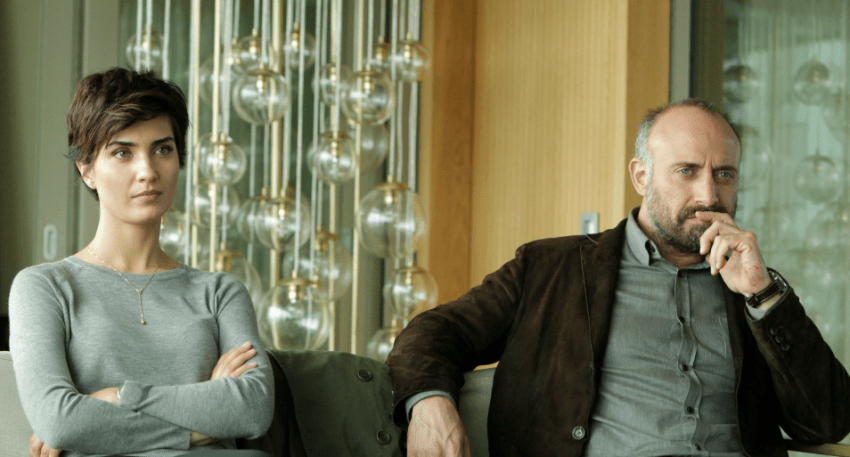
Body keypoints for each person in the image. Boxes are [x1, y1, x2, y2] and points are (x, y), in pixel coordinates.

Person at [387, 99, 850, 456]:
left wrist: (763, 294)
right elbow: (433, 333)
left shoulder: (752, 289)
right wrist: (430, 405)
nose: (708, 194)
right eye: (686, 171)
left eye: (724, 174)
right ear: (641, 176)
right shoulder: (550, 269)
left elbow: (827, 422)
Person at [9, 68, 274, 457]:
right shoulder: (44, 287)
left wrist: (119, 397)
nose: (148, 171)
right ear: (86, 169)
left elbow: (252, 410)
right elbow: (61, 423)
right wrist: (207, 407)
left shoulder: (220, 292)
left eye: (163, 149)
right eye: (123, 152)